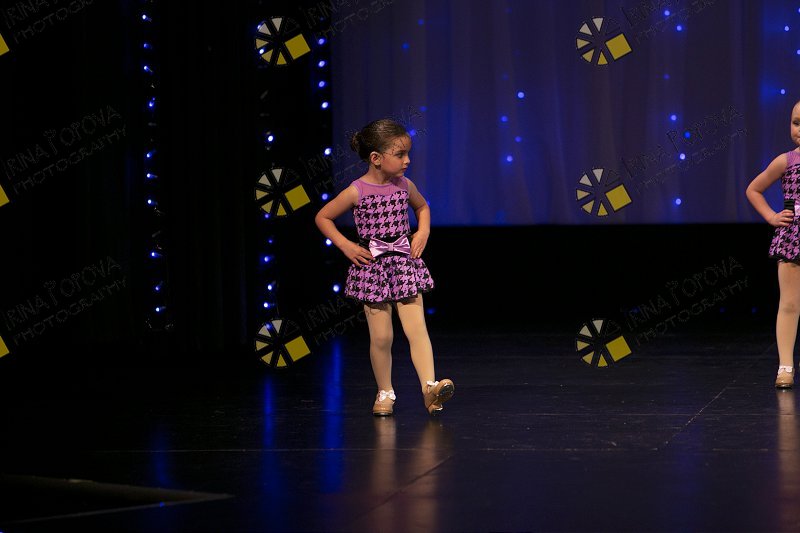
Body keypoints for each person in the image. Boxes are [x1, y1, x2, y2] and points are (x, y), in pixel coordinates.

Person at [315, 118, 454, 416]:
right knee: (381, 337)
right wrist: (347, 245)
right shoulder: (357, 191)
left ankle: (429, 388)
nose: (407, 160)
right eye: (400, 154)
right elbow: (323, 217)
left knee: (417, 329)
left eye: (408, 153)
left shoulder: (404, 186)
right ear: (376, 158)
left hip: (403, 262)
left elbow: (422, 207)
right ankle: (385, 391)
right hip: (373, 267)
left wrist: (423, 231)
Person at [746, 100, 800, 388]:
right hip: (794, 237)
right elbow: (754, 189)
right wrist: (771, 216)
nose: (799, 129)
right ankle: (785, 366)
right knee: (789, 304)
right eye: (796, 122)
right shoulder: (786, 161)